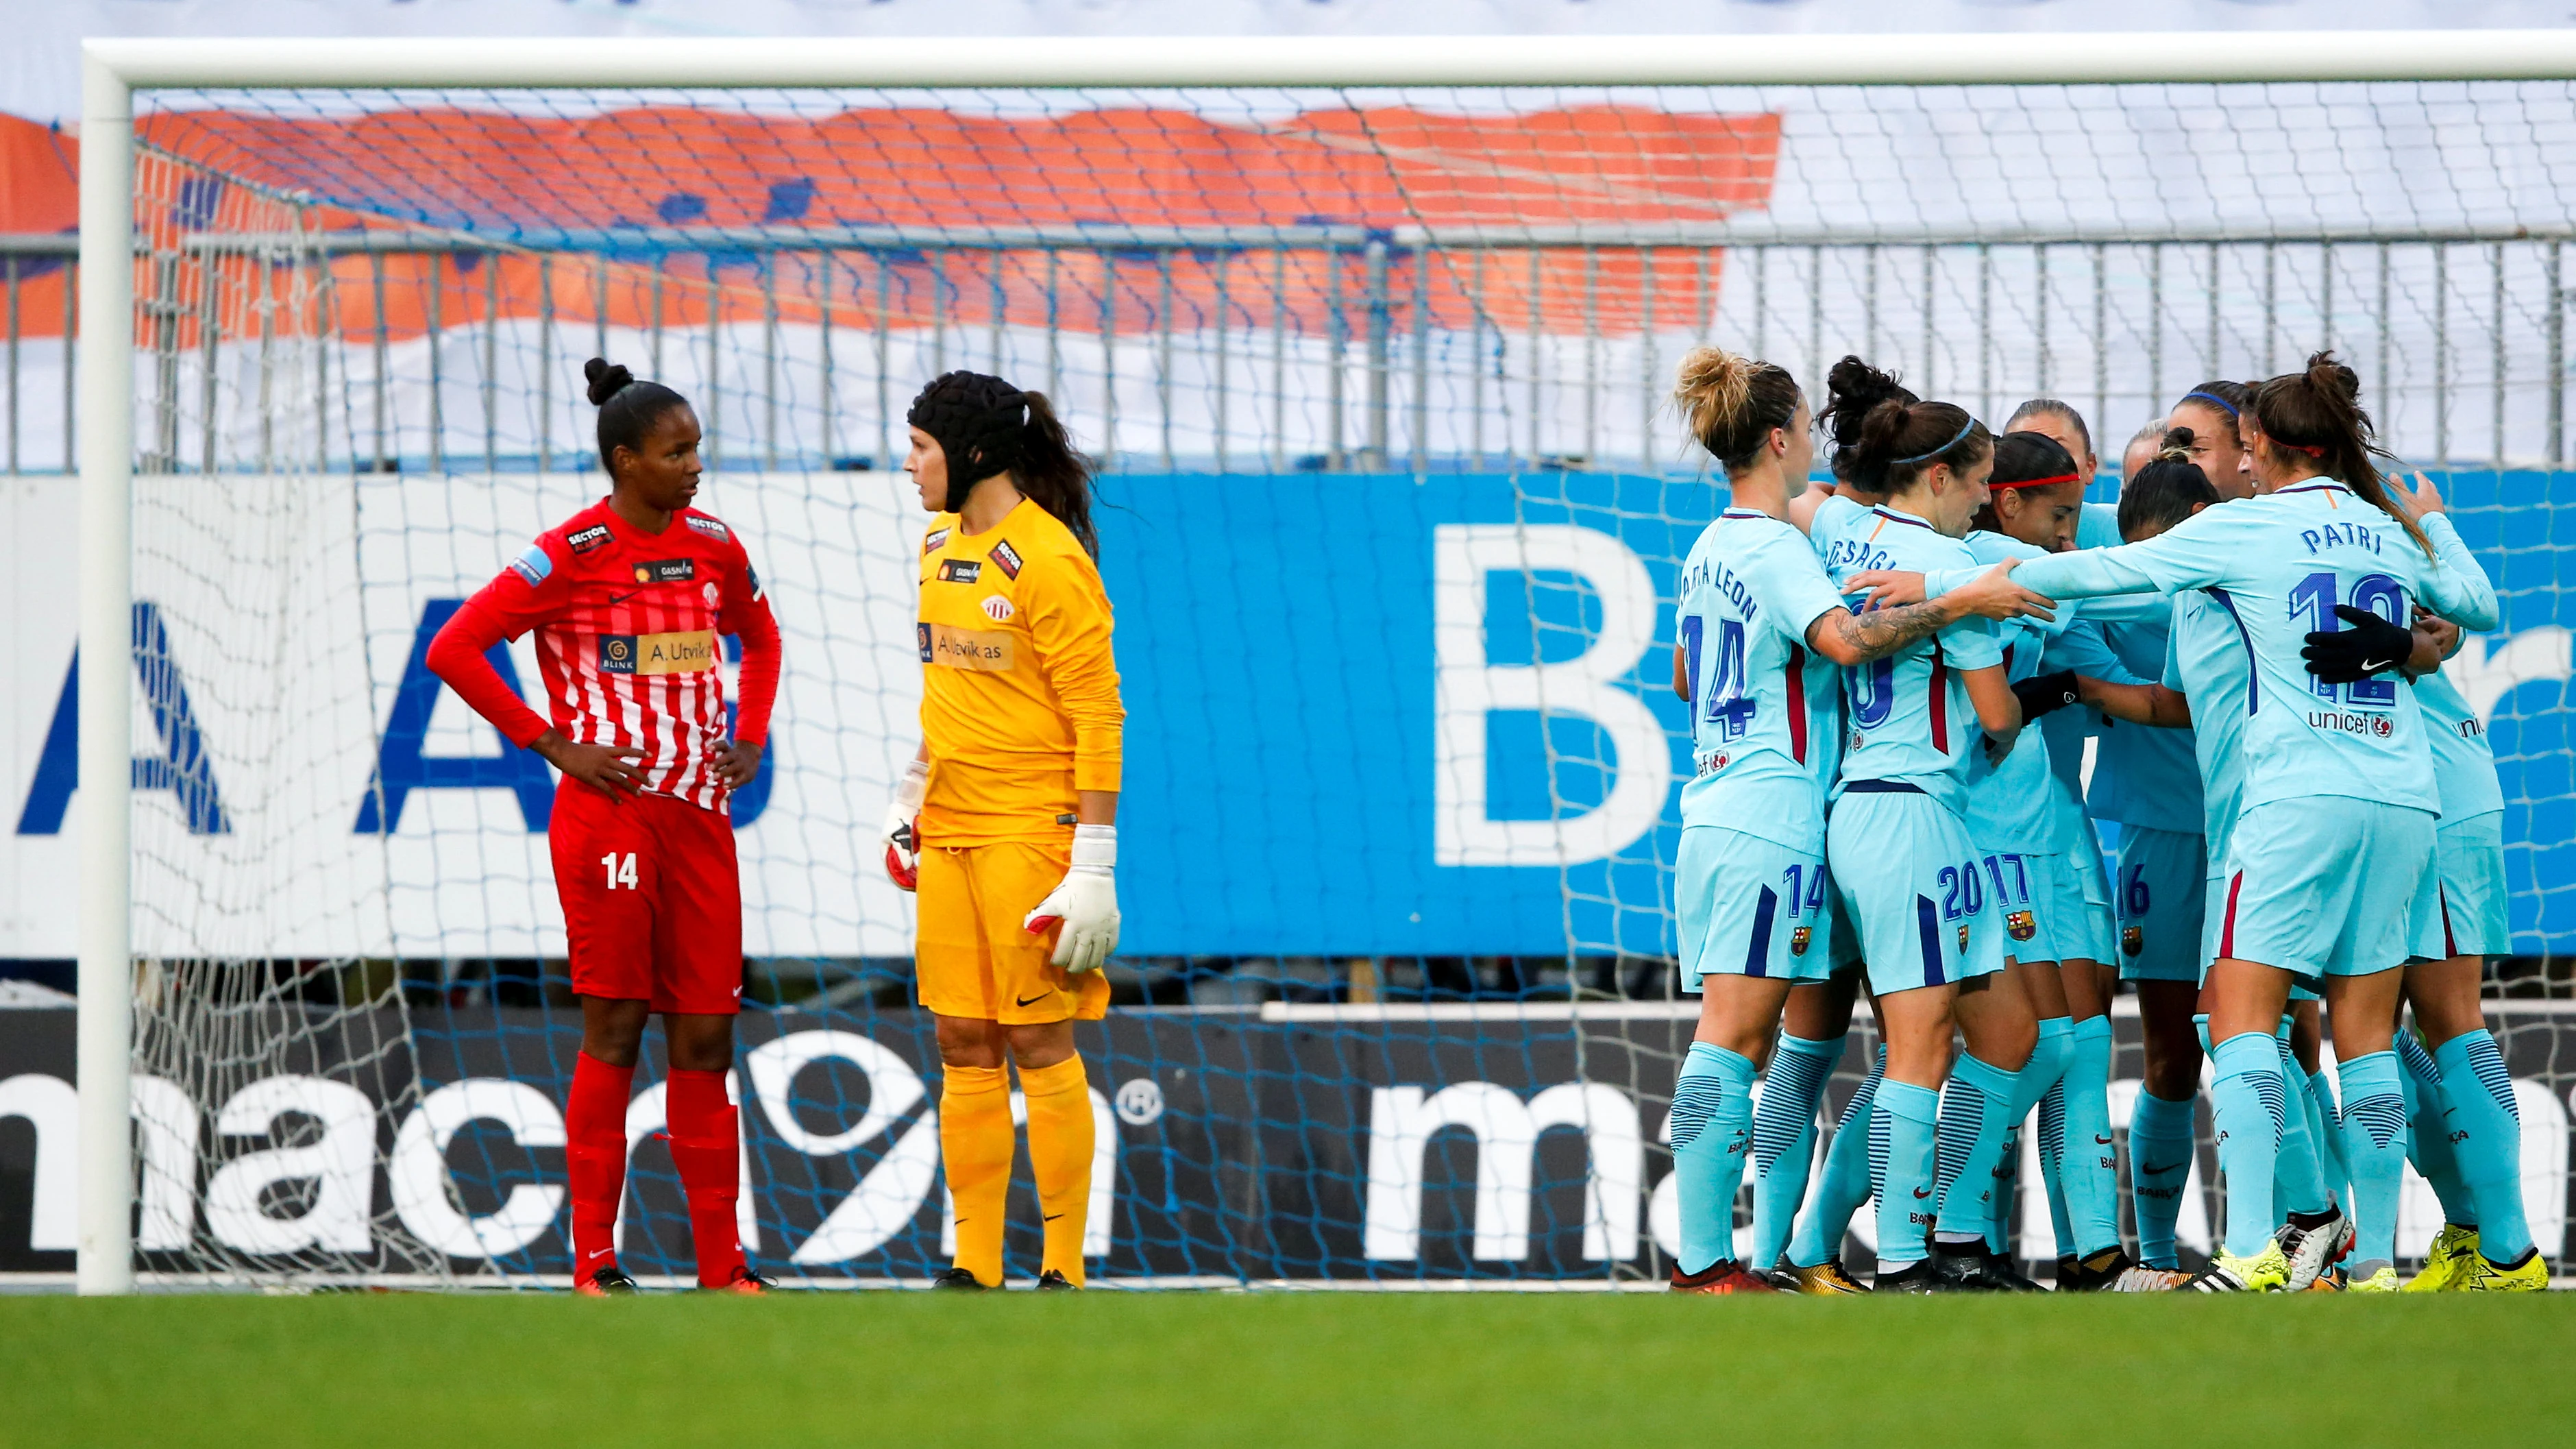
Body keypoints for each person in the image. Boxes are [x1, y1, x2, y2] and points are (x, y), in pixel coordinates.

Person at [2000, 354, 2499, 1292]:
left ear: (2255, 446)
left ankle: (2252, 1249)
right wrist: (2426, 528)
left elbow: (2107, 571)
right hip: (2396, 798)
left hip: (2285, 807)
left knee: (2232, 1016)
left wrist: (1968, 582)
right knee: (2362, 1033)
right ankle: (2375, 1261)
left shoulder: (2237, 533)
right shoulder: (2376, 525)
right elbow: (2469, 608)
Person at [1660, 348, 2041, 1293]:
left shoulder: (1714, 547)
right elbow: (1841, 636)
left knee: (1780, 1041)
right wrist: (1959, 599)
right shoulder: (1773, 546)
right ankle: (1706, 1264)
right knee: (1736, 1037)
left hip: (1725, 802)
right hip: (1774, 810)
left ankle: (1764, 1256)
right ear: (1782, 438)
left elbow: (1682, 676)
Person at [427, 358, 782, 1295]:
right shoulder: (570, 553)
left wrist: (747, 734)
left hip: (701, 819)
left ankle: (725, 1269)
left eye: (697, 446)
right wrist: (553, 744)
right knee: (617, 1026)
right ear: (626, 461)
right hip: (610, 819)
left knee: (707, 1035)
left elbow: (763, 635)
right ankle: (593, 1261)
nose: (695, 464)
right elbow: (454, 647)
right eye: (676, 452)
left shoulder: (713, 544)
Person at [882, 370, 1124, 1291]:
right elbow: (949, 688)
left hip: (1032, 828)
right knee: (960, 1038)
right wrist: (910, 795)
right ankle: (973, 1262)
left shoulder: (1052, 562)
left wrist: (1091, 864)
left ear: (972, 454)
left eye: (920, 448)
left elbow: (1099, 716)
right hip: (950, 827)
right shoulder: (937, 543)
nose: (907, 466)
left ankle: (1062, 1265)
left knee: (1037, 1040)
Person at [1819, 396, 2036, 1291]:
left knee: (2011, 1030)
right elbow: (1996, 717)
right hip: (1906, 808)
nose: (1984, 503)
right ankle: (1902, 1258)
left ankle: (1949, 1235)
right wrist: (2032, 693)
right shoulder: (1952, 569)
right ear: (1939, 476)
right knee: (1916, 1046)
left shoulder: (1840, 533)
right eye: (1980, 483)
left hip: (1890, 810)